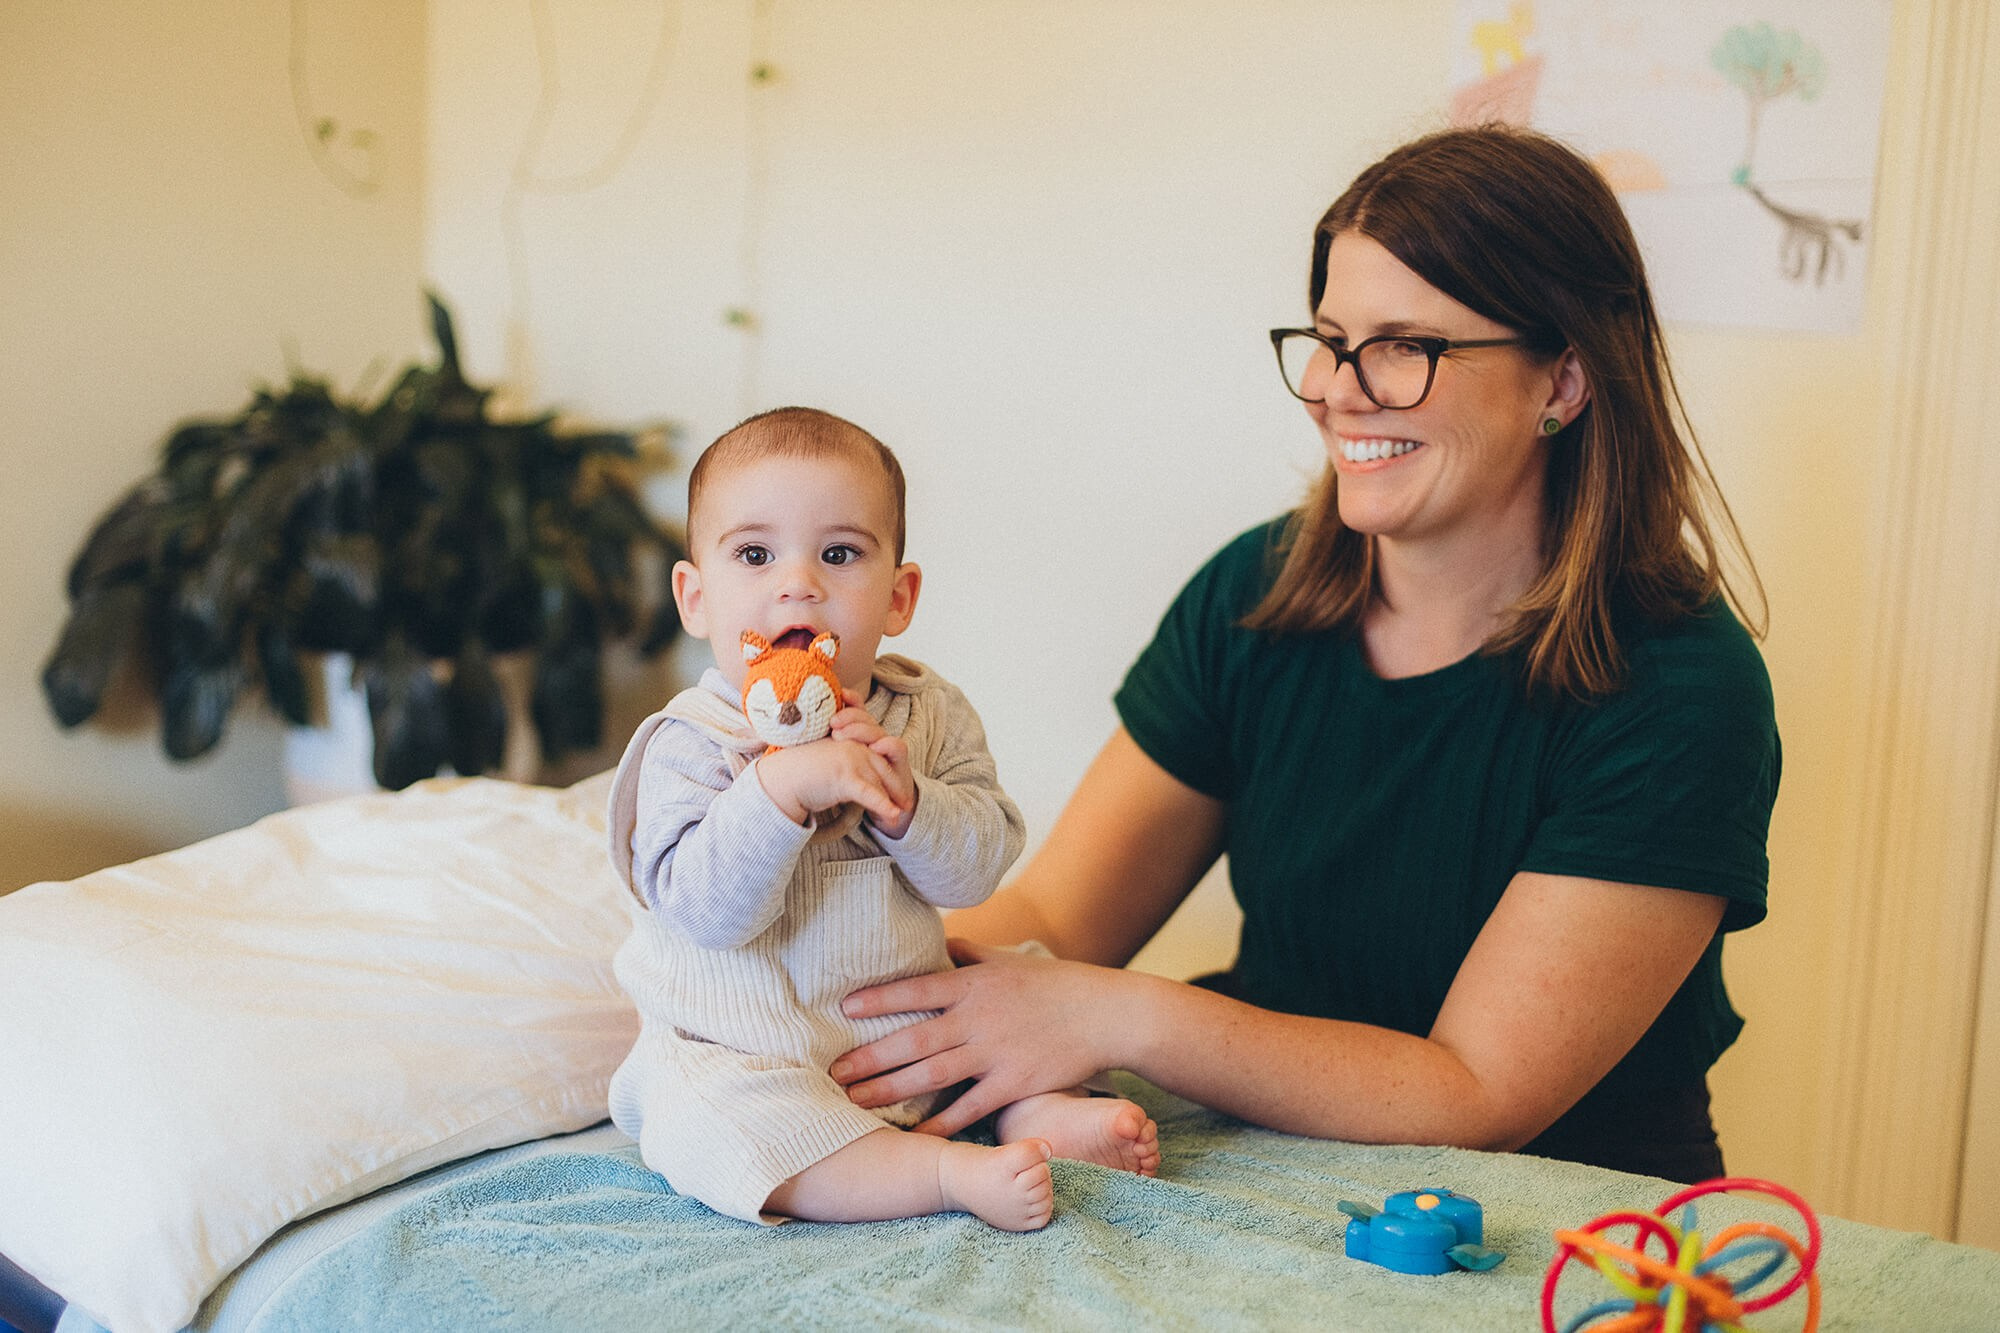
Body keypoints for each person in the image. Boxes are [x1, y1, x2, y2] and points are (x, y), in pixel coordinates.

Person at [829, 125, 1781, 1185]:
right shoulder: (1255, 594)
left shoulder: (1680, 687)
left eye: (1403, 346)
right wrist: (854, 998)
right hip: (1266, 1165)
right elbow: (1057, 921)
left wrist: (1125, 1017)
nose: (1338, 388)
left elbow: (1475, 1093)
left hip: (1565, 1212)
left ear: (1560, 381)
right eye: (1329, 338)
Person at [604, 406, 1160, 1232]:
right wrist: (780, 792)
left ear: (898, 596)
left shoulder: (925, 715)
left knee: (1022, 989)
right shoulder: (690, 742)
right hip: (747, 1051)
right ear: (695, 596)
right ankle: (942, 1171)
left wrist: (910, 807)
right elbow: (701, 912)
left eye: (839, 553)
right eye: (755, 554)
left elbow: (976, 867)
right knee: (702, 1120)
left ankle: (1034, 1115)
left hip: (907, 1035)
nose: (799, 582)